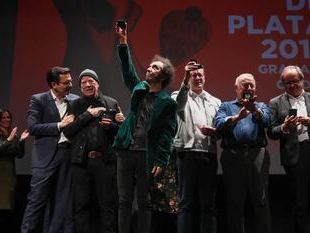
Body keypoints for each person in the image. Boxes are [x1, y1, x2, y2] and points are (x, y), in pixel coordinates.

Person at [114, 22, 177, 233]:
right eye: (150, 66)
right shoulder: (139, 88)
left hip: (146, 154)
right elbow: (127, 70)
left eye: (155, 67)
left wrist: (161, 159)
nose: (150, 68)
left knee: (144, 201)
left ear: (164, 75)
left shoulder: (168, 102)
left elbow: (168, 134)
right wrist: (123, 41)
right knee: (123, 200)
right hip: (125, 150)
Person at [268, 65, 310, 233]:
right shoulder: (275, 103)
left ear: (302, 80)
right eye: (287, 82)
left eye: (295, 81)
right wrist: (284, 127)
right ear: (282, 84)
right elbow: (271, 131)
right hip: (295, 156)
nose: (292, 85)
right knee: (300, 205)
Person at [63, 69, 125, 233]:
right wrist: (87, 115)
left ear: (97, 83)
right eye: (83, 82)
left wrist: (112, 126)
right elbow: (67, 132)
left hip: (104, 162)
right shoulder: (74, 105)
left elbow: (122, 133)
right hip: (80, 162)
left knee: (108, 205)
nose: (87, 84)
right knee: (80, 206)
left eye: (91, 81)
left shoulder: (111, 103)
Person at [21, 66, 79, 233]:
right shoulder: (38, 100)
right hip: (45, 157)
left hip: (67, 154)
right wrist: (60, 125)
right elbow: (33, 128)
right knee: (37, 199)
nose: (70, 85)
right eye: (66, 82)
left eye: (71, 81)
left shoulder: (75, 100)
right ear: (54, 85)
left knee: (64, 202)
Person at [214, 73, 271, 233]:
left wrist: (255, 111)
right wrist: (237, 117)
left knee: (261, 199)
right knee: (234, 201)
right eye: (245, 85)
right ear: (237, 88)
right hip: (233, 155)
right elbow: (218, 125)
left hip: (257, 154)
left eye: (251, 85)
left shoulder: (261, 105)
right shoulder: (226, 106)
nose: (249, 88)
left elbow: (267, 121)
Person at [171, 59, 221, 233]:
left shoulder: (215, 101)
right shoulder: (178, 95)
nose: (197, 77)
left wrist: (215, 132)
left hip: (209, 153)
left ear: (205, 77)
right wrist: (185, 79)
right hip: (187, 154)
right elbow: (177, 105)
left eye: (200, 74)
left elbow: (221, 130)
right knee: (186, 202)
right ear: (188, 78)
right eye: (193, 75)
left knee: (209, 203)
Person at [0, 109, 29, 233]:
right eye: (3, 117)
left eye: (8, 117)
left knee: (6, 211)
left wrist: (21, 141)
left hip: (9, 176)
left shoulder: (12, 134)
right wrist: (9, 140)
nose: (6, 120)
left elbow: (19, 155)